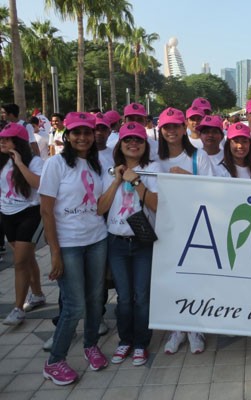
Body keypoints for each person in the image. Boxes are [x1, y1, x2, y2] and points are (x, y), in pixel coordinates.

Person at [39, 112, 109, 385]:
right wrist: (54, 251)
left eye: (87, 132)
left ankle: (91, 345)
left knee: (95, 299)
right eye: (76, 133)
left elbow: (100, 206)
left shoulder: (96, 165)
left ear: (94, 136)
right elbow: (46, 211)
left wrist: (117, 182)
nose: (82, 137)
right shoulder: (55, 164)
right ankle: (55, 360)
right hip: (68, 244)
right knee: (74, 305)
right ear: (67, 136)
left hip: (96, 239)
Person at [98, 122, 159, 367]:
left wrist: (136, 182)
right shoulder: (108, 172)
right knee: (124, 297)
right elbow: (100, 208)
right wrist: (117, 180)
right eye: (128, 140)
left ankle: (142, 342)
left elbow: (157, 205)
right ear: (120, 145)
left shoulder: (154, 169)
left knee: (142, 296)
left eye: (138, 140)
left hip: (143, 241)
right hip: (117, 241)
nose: (133, 144)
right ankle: (125, 340)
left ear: (145, 145)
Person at [156, 107, 213, 355]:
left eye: (175, 126)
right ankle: (176, 328)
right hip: (164, 226)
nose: (171, 131)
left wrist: (186, 177)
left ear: (184, 128)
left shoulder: (198, 157)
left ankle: (196, 328)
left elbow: (214, 191)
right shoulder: (154, 159)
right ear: (160, 130)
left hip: (194, 226)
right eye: (166, 127)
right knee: (172, 277)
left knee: (195, 278)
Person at [0, 123, 46, 325]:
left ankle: (18, 309)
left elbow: (38, 184)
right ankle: (36, 294)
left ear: (18, 142)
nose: (2, 141)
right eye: (1, 138)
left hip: (30, 213)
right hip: (6, 214)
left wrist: (19, 164)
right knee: (26, 258)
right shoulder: (1, 161)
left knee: (19, 262)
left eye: (7, 139)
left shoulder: (34, 161)